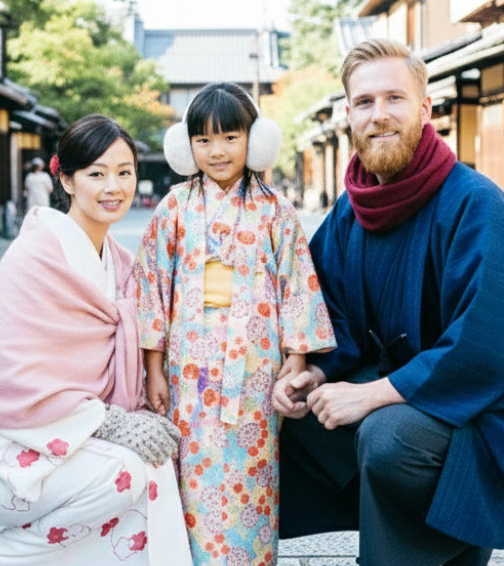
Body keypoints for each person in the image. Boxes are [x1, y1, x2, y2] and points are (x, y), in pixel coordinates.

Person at [273, 38, 504, 566]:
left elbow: (486, 349)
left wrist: (370, 395)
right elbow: (328, 313)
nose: (379, 115)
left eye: (395, 98)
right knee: (283, 420)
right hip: (402, 398)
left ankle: (447, 542)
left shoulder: (474, 203)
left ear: (425, 108)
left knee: (388, 437)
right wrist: (313, 374)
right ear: (348, 115)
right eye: (365, 102)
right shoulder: (350, 211)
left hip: (477, 410)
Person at [0, 114, 191, 565]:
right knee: (125, 472)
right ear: (66, 180)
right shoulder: (35, 256)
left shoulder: (120, 264)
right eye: (97, 174)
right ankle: (10, 559)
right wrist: (111, 424)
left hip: (58, 435)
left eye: (124, 172)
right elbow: (10, 375)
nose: (113, 187)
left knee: (150, 477)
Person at [135, 82, 336, 565]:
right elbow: (152, 286)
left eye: (230, 137)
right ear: (186, 146)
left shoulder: (276, 211)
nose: (217, 151)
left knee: (254, 474)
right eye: (203, 140)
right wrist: (154, 368)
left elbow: (296, 286)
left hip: (255, 371)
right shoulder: (174, 207)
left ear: (254, 139)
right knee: (190, 476)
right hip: (188, 370)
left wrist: (296, 361)